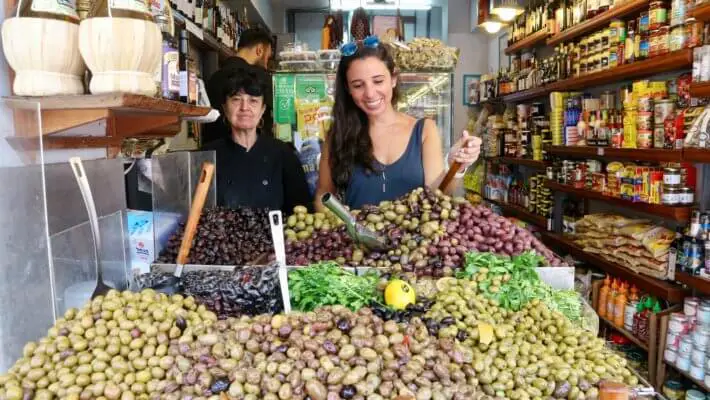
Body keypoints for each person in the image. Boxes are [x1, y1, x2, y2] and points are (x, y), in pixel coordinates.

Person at [315, 36, 482, 210]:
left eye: (378, 81)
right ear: (348, 89)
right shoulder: (338, 135)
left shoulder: (424, 130)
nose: (370, 93)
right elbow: (323, 194)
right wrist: (336, 228)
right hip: (355, 237)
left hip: (414, 236)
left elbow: (438, 194)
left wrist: (456, 165)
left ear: (393, 78)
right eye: (358, 85)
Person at [203, 68, 313, 214]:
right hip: (220, 236)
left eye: (253, 101)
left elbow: (301, 212)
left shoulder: (283, 155)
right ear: (224, 107)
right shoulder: (207, 156)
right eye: (236, 99)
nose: (244, 108)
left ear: (262, 110)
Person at [203, 28, 274, 145]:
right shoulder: (260, 77)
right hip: (250, 151)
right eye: (268, 57)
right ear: (259, 50)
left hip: (214, 151)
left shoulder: (214, 77)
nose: (266, 64)